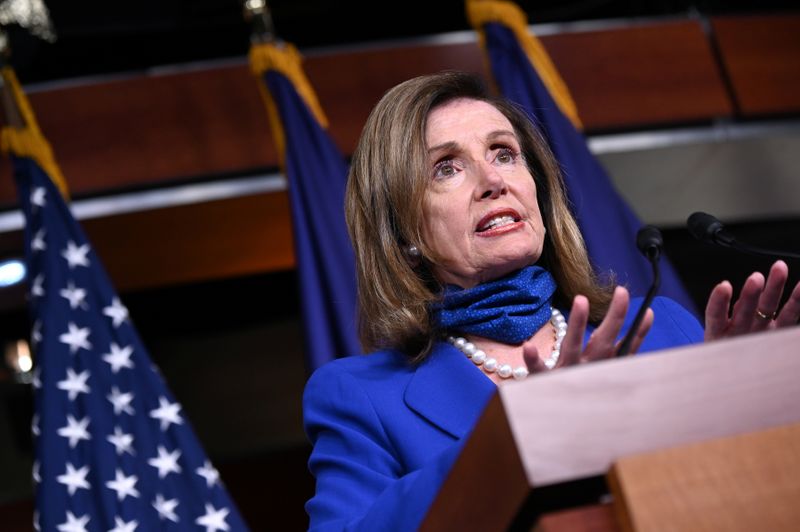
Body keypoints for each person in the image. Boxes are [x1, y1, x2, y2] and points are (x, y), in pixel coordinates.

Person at [302, 71, 800, 530]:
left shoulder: (663, 329)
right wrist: (520, 429)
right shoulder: (361, 398)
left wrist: (748, 396)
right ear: (403, 232)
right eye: (446, 168)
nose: (493, 181)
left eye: (504, 153)